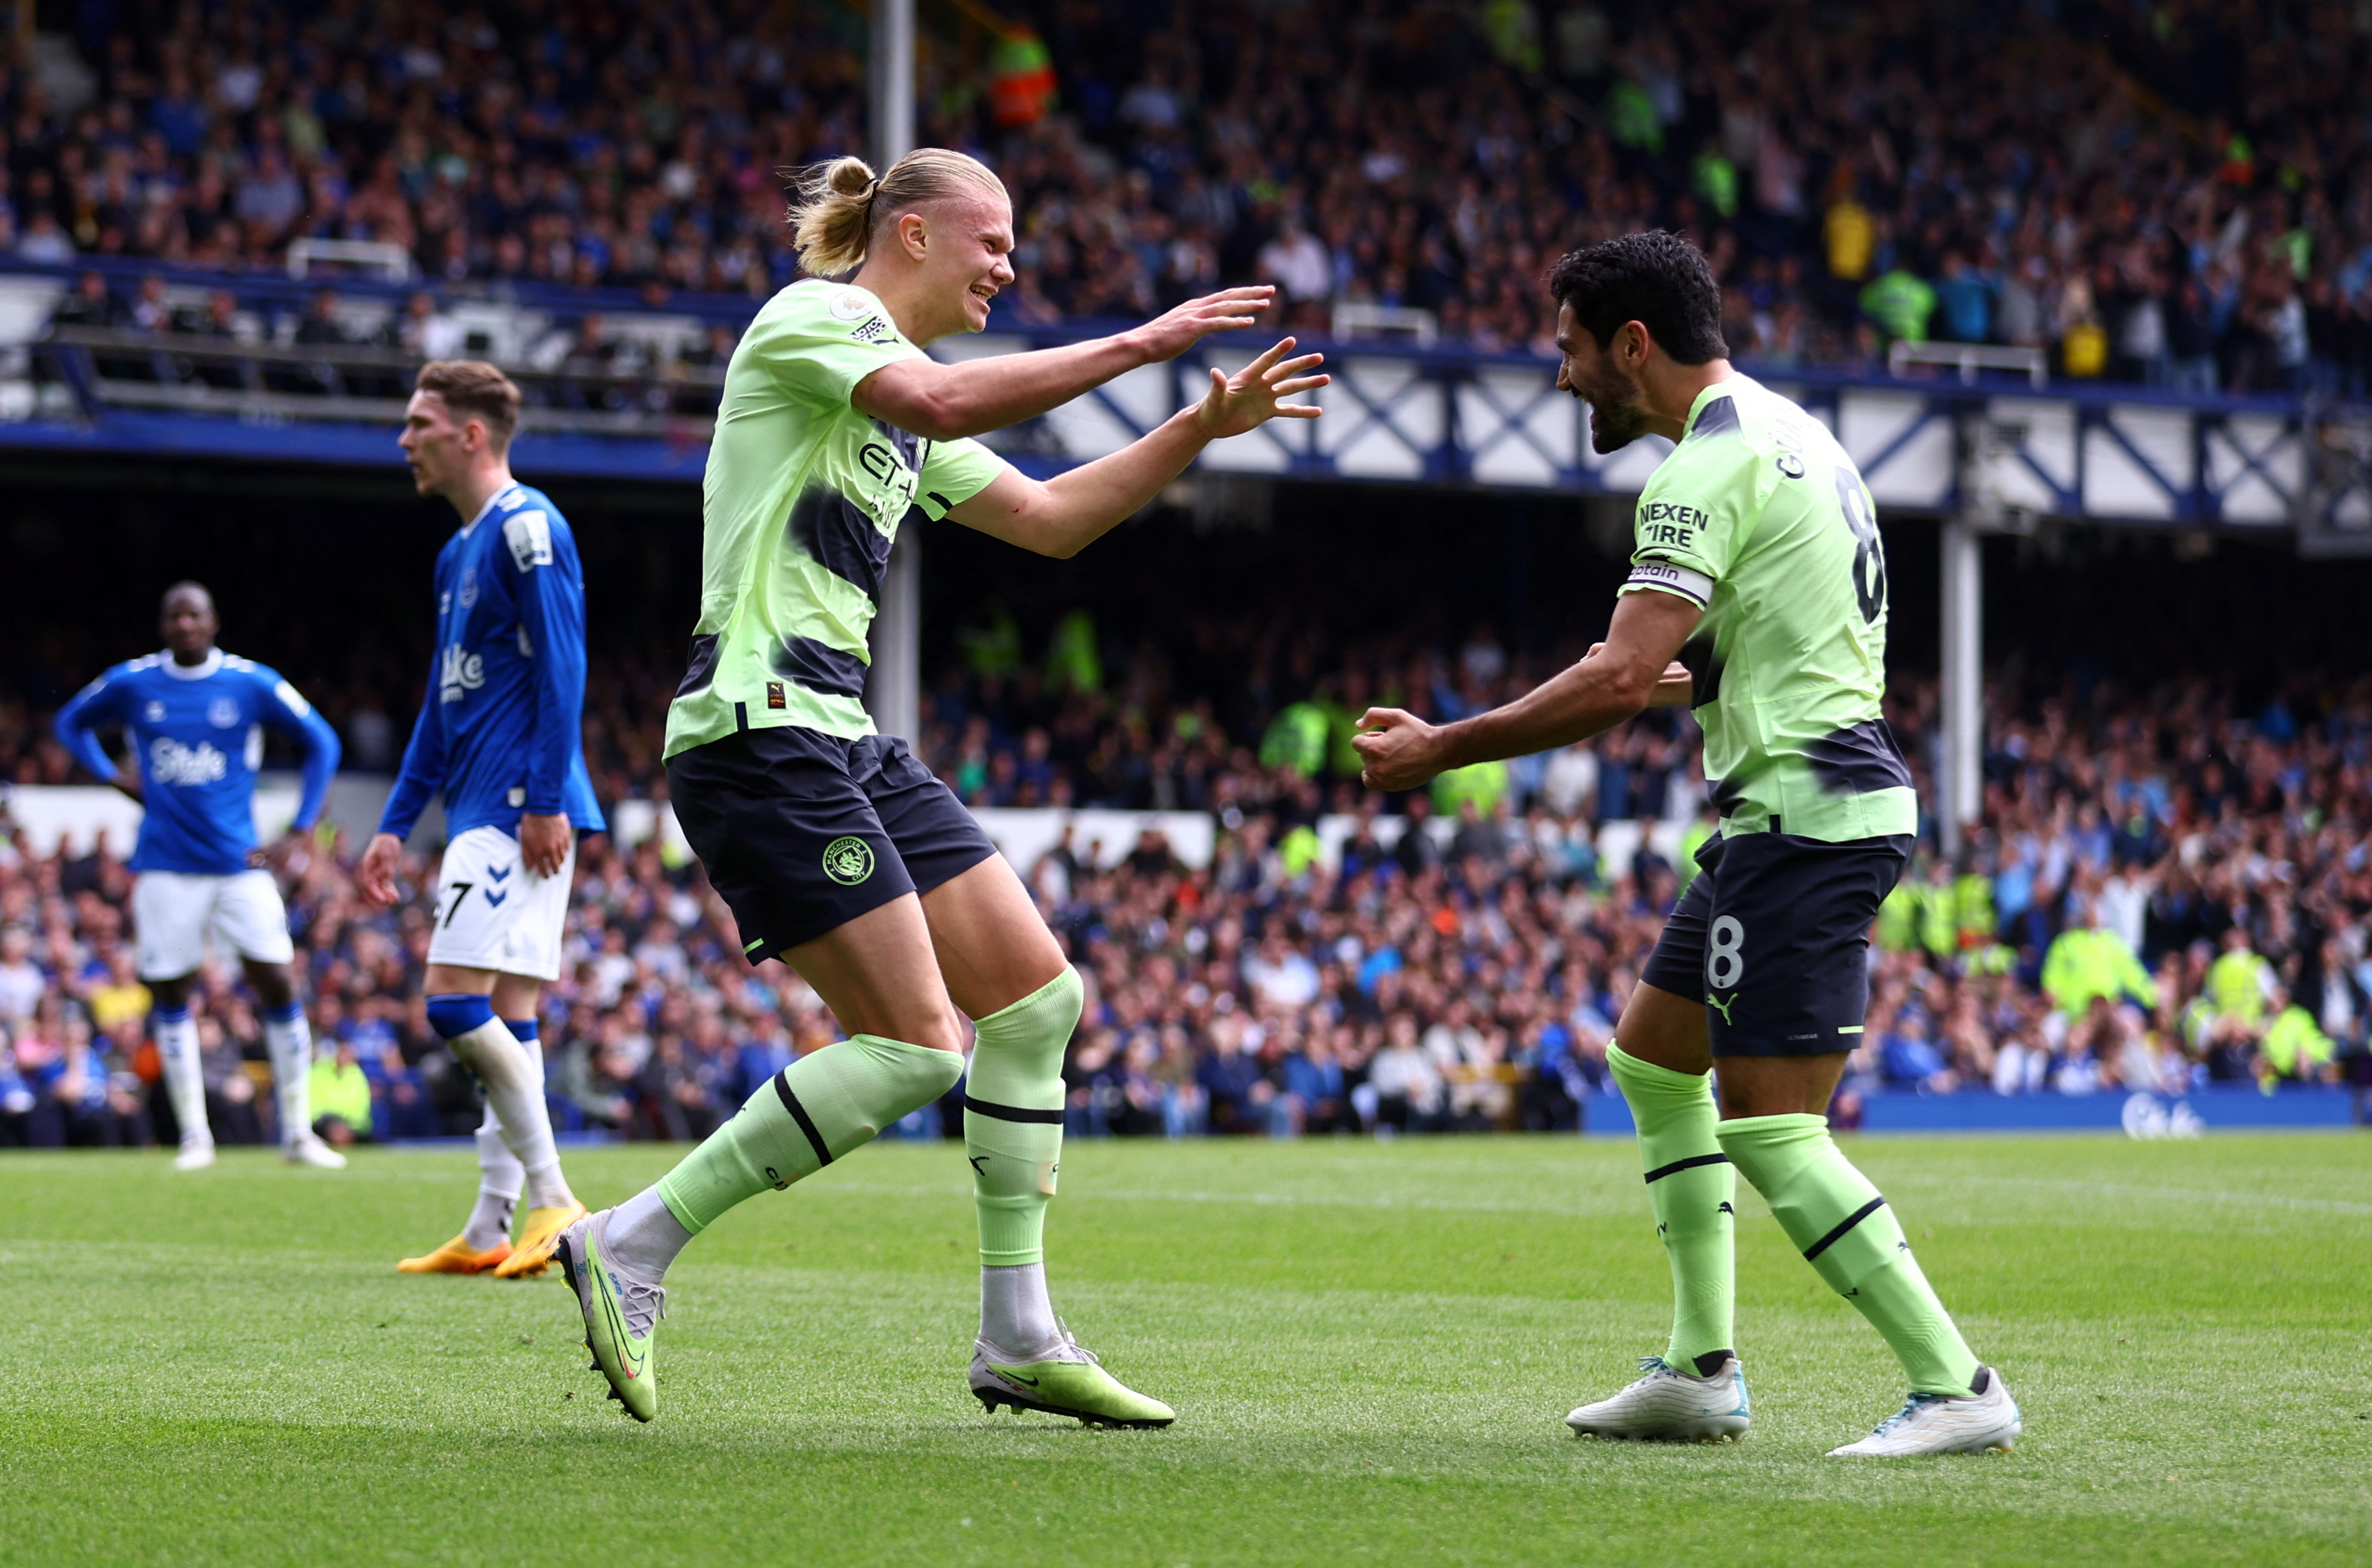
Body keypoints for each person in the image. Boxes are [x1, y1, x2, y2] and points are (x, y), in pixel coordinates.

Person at [552, 147, 1323, 1428]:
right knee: (917, 1048)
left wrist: (1196, 426)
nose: (1007, 268)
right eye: (992, 242)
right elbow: (942, 400)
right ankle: (628, 1242)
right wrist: (1142, 345)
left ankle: (1018, 1334)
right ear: (910, 234)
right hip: (758, 729)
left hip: (841, 735)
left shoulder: (902, 411)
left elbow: (1051, 520)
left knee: (1036, 999)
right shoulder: (816, 320)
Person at [1352, 231, 2019, 1459]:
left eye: (1568, 348)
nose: (1560, 375)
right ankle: (1699, 1369)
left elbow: (1620, 678)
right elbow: (1727, 655)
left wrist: (1445, 746)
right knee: (1654, 1063)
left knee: (1768, 1127)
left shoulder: (1699, 472)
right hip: (1808, 800)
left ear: (1632, 344)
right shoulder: (1794, 434)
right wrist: (1629, 678)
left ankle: (1955, 1384)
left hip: (1804, 817)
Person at [357, 360, 607, 1281]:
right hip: (480, 800)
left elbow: (565, 665)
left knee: (453, 1001)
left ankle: (554, 1196)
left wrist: (542, 797)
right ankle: (490, 1223)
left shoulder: (530, 525)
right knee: (510, 1011)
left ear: (470, 434)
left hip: (513, 803)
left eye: (419, 423)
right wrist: (395, 820)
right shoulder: (456, 551)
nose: (405, 440)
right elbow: (442, 699)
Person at [53, 582, 344, 1170]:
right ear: (164, 625)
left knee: (278, 982)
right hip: (165, 865)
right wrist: (110, 774)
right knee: (171, 992)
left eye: (195, 614)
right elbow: (69, 723)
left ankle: (297, 1133)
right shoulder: (134, 681)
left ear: (213, 622)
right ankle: (194, 1137)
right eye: (175, 616)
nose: (185, 624)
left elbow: (323, 741)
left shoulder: (251, 682)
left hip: (239, 863)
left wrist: (303, 826)